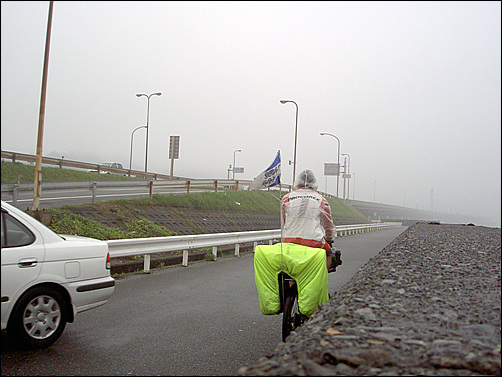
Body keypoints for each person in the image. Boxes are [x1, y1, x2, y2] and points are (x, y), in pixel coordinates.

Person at [281, 169, 338, 270]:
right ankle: (321, 277)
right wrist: (329, 238)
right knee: (330, 253)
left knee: (288, 267)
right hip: (314, 241)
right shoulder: (321, 200)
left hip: (289, 240)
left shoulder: (286, 198)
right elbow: (328, 226)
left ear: (297, 183)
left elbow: (284, 224)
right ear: (314, 184)